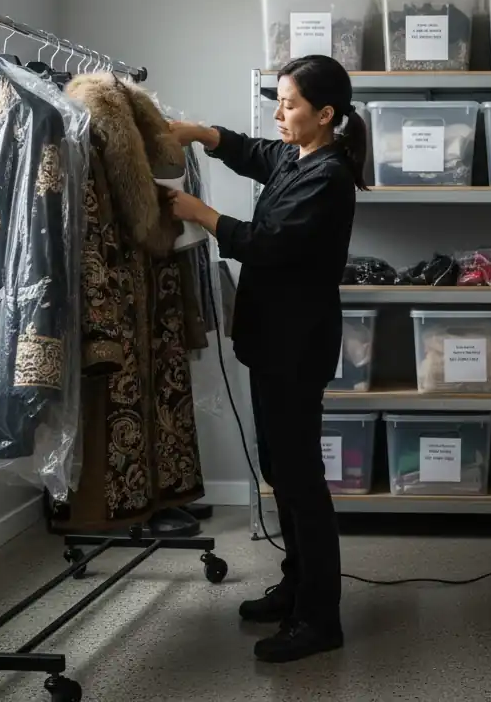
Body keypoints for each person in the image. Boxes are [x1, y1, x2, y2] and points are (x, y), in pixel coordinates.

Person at [166, 55, 365, 663]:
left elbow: (268, 245)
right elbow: (253, 151)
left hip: (295, 346)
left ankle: (319, 619)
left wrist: (200, 214)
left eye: (290, 105)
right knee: (281, 468)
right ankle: (298, 585)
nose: (279, 114)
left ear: (325, 114)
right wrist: (202, 133)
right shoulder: (296, 155)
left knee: (302, 482)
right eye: (277, 102)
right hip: (271, 340)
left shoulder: (328, 175)